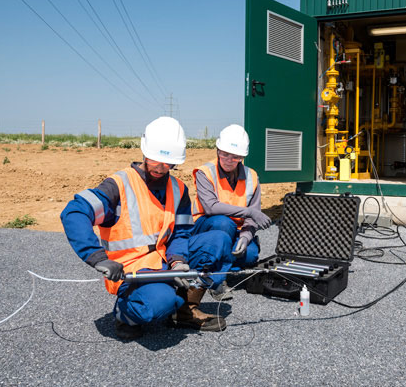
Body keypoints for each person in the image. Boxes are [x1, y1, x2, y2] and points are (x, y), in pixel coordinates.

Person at [60, 116, 230, 340]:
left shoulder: (178, 189)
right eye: (156, 160)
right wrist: (97, 257)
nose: (162, 167)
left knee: (218, 240)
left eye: (169, 163)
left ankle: (184, 310)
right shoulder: (119, 185)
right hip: (131, 270)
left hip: (164, 262)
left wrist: (178, 261)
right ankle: (125, 313)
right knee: (160, 303)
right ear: (144, 151)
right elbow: (74, 212)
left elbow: (181, 232)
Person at [191, 124, 272, 299]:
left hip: (234, 231)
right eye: (224, 154)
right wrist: (249, 212)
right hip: (207, 228)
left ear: (242, 157)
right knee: (223, 222)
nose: (228, 159)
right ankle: (215, 280)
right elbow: (211, 207)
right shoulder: (205, 172)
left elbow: (253, 217)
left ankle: (219, 265)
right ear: (217, 150)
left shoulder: (252, 176)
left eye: (235, 157)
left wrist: (245, 236)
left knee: (250, 253)